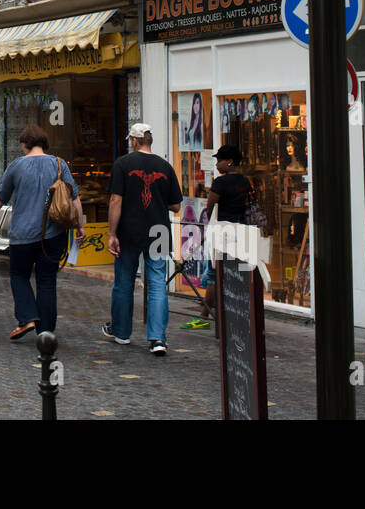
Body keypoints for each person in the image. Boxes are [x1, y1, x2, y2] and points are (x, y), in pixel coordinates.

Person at [0, 125, 86, 341]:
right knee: (47, 280)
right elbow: (74, 197)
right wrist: (80, 227)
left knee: (19, 276)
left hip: (22, 235)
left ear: (26, 144)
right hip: (53, 234)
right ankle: (46, 331)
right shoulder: (59, 163)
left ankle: (28, 317)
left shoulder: (16, 166)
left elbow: (0, 197)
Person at [102, 123, 182, 355]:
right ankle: (157, 339)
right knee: (157, 283)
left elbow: (116, 200)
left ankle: (121, 331)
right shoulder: (165, 166)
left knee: (124, 281)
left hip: (129, 230)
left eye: (131, 140)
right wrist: (157, 200)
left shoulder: (123, 164)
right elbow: (176, 205)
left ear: (135, 141)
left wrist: (111, 233)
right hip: (158, 230)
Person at [183, 145, 253, 329]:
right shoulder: (245, 181)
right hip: (241, 230)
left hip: (222, 231)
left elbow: (210, 207)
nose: (217, 164)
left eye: (219, 160)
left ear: (229, 161)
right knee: (238, 271)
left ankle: (204, 316)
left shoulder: (220, 182)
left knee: (215, 274)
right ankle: (237, 312)